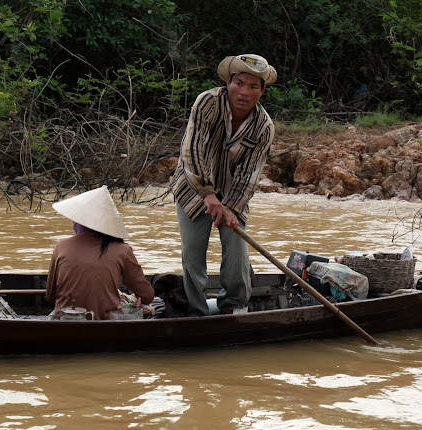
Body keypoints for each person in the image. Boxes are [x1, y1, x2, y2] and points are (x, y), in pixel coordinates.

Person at [170, 53, 277, 316]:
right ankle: (195, 311)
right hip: (192, 188)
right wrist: (208, 194)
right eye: (239, 83)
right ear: (228, 82)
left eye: (253, 86)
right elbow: (191, 151)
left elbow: (250, 175)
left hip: (233, 195)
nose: (244, 92)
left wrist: (229, 207)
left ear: (262, 91)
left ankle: (234, 306)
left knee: (237, 250)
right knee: (193, 252)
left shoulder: (263, 127)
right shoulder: (207, 103)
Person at [46, 185, 154, 320]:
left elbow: (51, 296)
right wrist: (132, 300)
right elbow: (148, 296)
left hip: (67, 321)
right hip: (105, 325)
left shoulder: (61, 246)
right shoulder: (123, 250)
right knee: (158, 304)